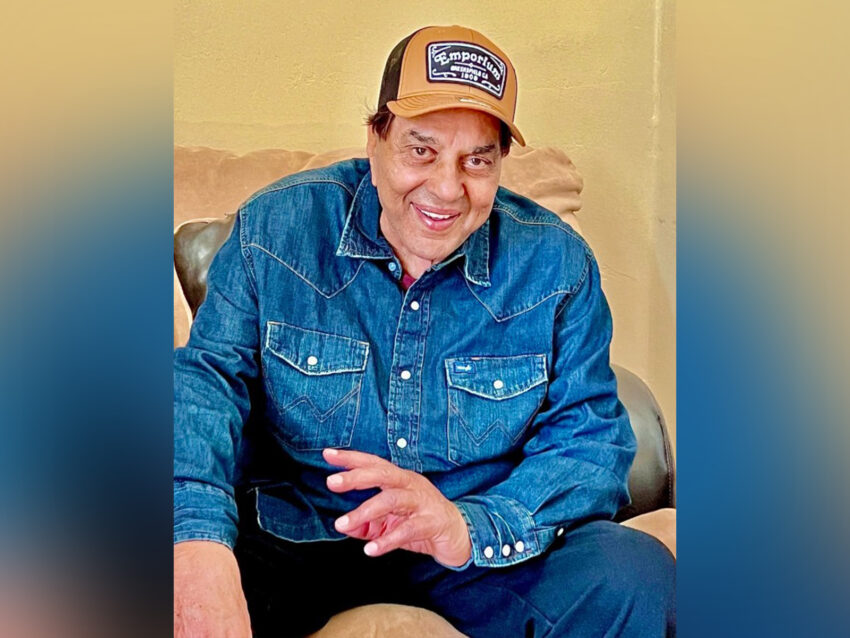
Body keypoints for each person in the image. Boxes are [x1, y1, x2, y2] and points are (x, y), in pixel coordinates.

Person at [174, 25, 675, 638]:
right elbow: (206, 384)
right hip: (298, 531)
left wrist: (468, 528)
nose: (445, 188)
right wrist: (193, 538)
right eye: (421, 150)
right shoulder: (276, 230)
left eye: (476, 161)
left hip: (472, 544)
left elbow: (590, 440)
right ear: (375, 139)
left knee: (636, 575)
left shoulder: (557, 265)